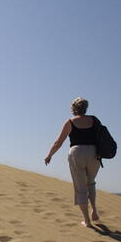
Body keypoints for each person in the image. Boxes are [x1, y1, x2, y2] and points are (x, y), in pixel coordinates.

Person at [44, 97, 101, 228]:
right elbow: (101, 136)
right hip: (94, 153)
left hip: (77, 153)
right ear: (85, 108)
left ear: (73, 108)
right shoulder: (94, 120)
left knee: (80, 187)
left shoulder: (70, 122)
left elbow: (58, 142)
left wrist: (49, 155)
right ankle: (94, 211)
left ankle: (87, 221)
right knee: (91, 182)